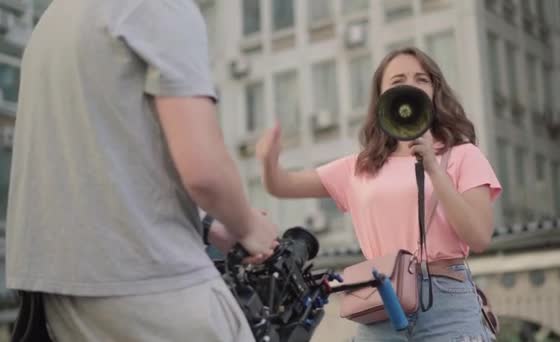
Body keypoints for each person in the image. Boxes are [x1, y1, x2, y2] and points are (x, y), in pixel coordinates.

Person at [5, 0, 277, 341]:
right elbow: (205, 173)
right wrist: (248, 225)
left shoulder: (54, 20)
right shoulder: (158, 6)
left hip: (68, 294)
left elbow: (102, 158)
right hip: (152, 287)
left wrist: (209, 225)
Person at [256, 47, 502, 341]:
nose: (410, 85)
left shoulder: (463, 155)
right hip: (381, 299)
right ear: (382, 96)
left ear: (435, 91)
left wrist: (434, 169)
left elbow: (479, 237)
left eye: (421, 79)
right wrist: (268, 162)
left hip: (446, 299)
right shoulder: (360, 166)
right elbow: (281, 185)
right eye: (398, 80)